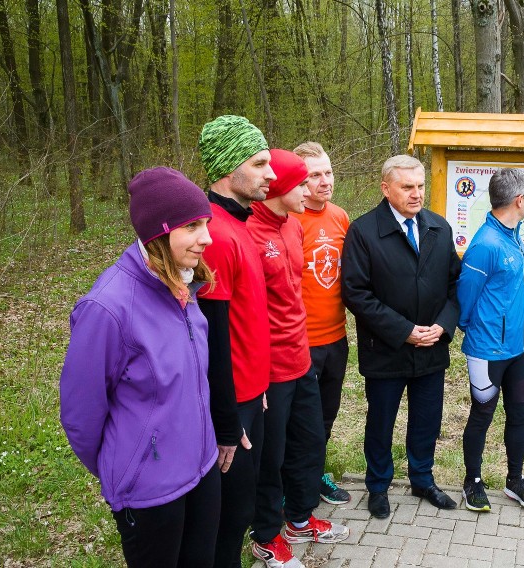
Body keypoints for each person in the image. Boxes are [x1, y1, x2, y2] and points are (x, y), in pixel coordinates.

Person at [60, 167, 220, 566]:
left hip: (202, 469)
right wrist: (130, 466)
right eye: (193, 226)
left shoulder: (184, 284)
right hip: (149, 493)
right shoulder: (107, 308)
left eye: (207, 223)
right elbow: (81, 415)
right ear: (158, 234)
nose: (207, 238)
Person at [341, 155, 462, 519]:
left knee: (427, 419)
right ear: (386, 188)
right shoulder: (364, 232)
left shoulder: (438, 229)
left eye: (420, 186)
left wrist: (443, 325)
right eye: (407, 187)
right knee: (381, 422)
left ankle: (422, 479)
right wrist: (404, 331)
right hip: (386, 350)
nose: (416, 194)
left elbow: (455, 286)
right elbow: (356, 293)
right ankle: (378, 486)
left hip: (431, 348)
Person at [247, 149, 349, 567]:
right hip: (270, 368)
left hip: (301, 356)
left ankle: (300, 519)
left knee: (308, 443)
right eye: (303, 182)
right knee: (270, 456)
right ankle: (266, 536)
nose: (312, 188)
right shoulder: (250, 232)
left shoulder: (291, 226)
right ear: (281, 188)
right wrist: (256, 379)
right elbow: (246, 313)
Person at [196, 115, 275, 568]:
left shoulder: (239, 224)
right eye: (260, 163)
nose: (270, 174)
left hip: (251, 393)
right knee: (228, 518)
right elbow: (212, 334)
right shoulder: (217, 236)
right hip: (231, 405)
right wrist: (227, 421)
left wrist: (259, 387)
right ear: (230, 168)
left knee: (241, 512)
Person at [456, 168, 524, 512]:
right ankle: (472, 481)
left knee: (518, 414)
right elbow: (465, 298)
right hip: (488, 350)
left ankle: (515, 480)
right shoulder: (485, 244)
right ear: (519, 201)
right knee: (482, 414)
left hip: (519, 348)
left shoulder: (513, 233)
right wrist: (476, 329)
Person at [289, 142, 352, 505]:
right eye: (314, 175)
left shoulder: (340, 217)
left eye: (327, 172)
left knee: (326, 416)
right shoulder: (290, 219)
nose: (325, 181)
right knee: (303, 422)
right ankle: (294, 486)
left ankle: (315, 475)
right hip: (301, 342)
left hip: (336, 337)